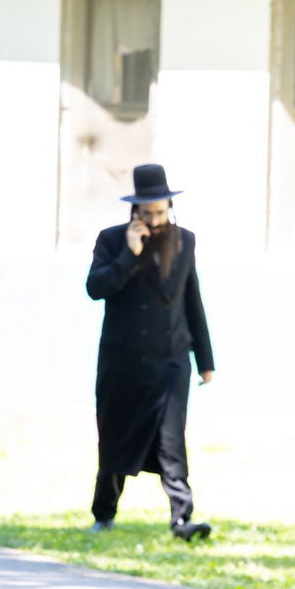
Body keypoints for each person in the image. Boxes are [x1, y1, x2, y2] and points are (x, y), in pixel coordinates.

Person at [86, 165, 215, 541]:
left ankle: (182, 519)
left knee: (172, 441)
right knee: (114, 437)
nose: (156, 221)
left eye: (161, 213)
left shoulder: (185, 240)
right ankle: (103, 514)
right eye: (148, 213)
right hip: (122, 362)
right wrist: (131, 254)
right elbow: (96, 287)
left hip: (170, 359)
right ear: (135, 211)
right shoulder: (111, 240)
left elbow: (192, 300)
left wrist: (205, 361)